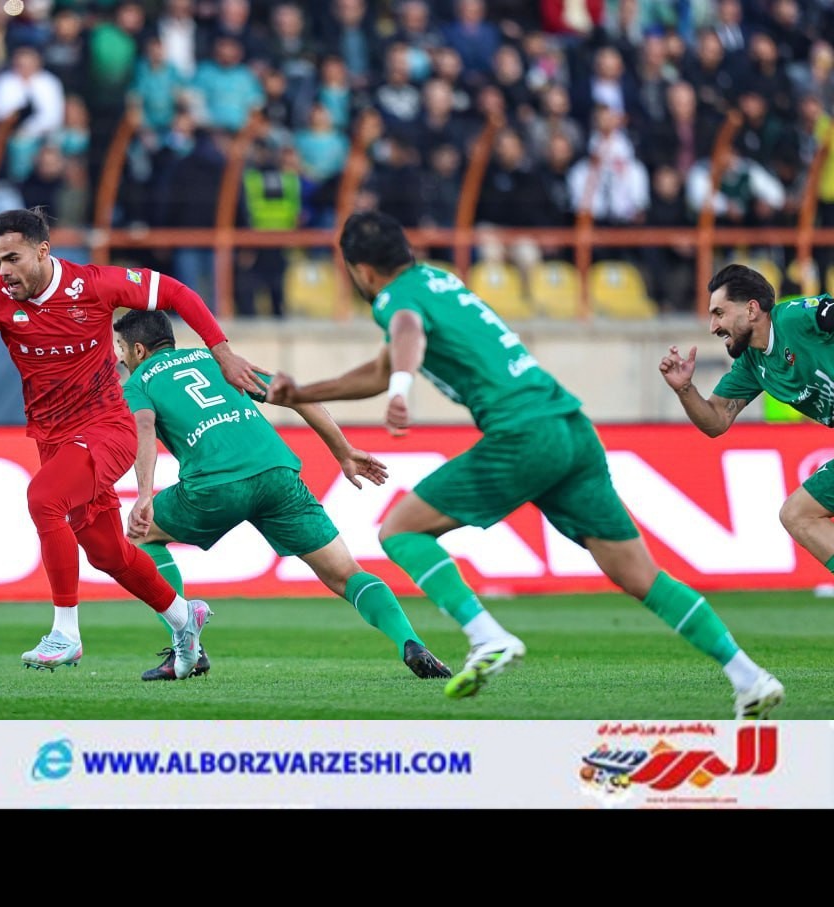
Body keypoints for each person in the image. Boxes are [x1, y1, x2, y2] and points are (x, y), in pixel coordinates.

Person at [267, 210, 784, 719]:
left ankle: (486, 636)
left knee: (399, 531)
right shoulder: (438, 282)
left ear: (361, 270)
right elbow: (383, 367)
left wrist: (401, 389)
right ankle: (748, 677)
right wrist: (304, 393)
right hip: (571, 428)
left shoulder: (395, 300)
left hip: (524, 434)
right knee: (641, 576)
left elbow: (406, 337)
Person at [0, 207, 267, 676]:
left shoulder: (94, 284)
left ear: (43, 251)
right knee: (108, 554)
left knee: (44, 500)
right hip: (54, 438)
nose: (3, 271)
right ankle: (185, 618)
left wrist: (222, 354)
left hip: (107, 427)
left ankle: (66, 633)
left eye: (13, 259)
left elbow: (178, 292)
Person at [115, 308, 452, 681]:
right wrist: (343, 451)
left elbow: (143, 428)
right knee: (346, 574)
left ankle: (187, 645)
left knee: (142, 534)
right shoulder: (219, 360)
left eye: (121, 348)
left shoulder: (137, 384)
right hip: (277, 473)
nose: (120, 357)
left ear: (139, 350)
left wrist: (144, 495)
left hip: (215, 485)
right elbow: (297, 396)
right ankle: (410, 641)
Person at [661, 263, 834, 585]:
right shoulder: (751, 365)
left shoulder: (794, 318)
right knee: (798, 514)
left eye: (719, 313)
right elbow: (716, 421)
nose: (713, 326)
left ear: (752, 310)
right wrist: (685, 388)